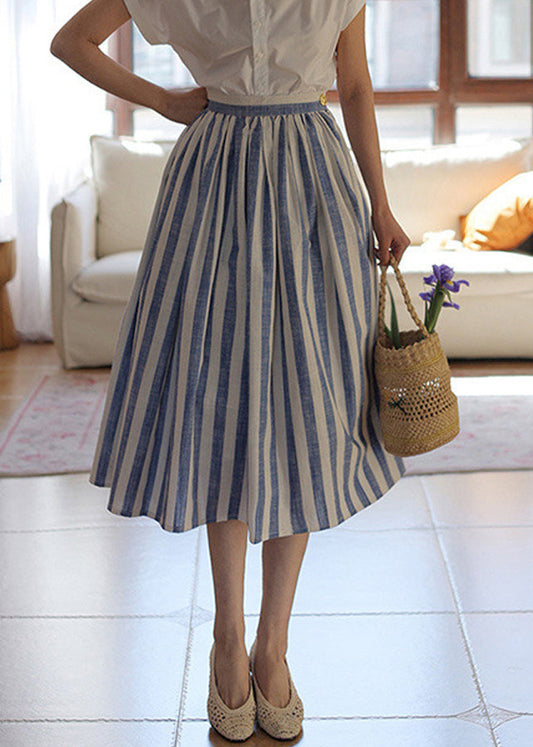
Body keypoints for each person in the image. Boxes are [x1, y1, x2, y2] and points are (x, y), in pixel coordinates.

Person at [51, 0, 410, 741]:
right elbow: (70, 41)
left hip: (314, 185)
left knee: (307, 415)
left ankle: (272, 644)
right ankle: (227, 636)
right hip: (214, 183)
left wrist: (381, 204)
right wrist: (162, 100)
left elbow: (354, 85)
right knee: (222, 404)